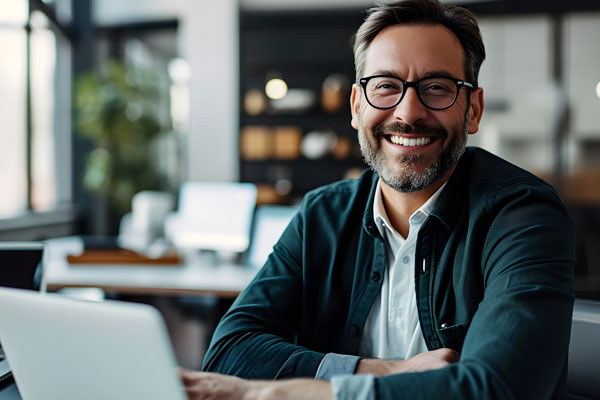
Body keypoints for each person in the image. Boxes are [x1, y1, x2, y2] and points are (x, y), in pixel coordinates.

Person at [178, 0, 576, 398]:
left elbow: (498, 388)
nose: (408, 112)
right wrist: (385, 371)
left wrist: (273, 394)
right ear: (356, 106)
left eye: (436, 88)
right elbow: (230, 352)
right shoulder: (323, 214)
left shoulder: (524, 215)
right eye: (385, 86)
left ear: (473, 109)